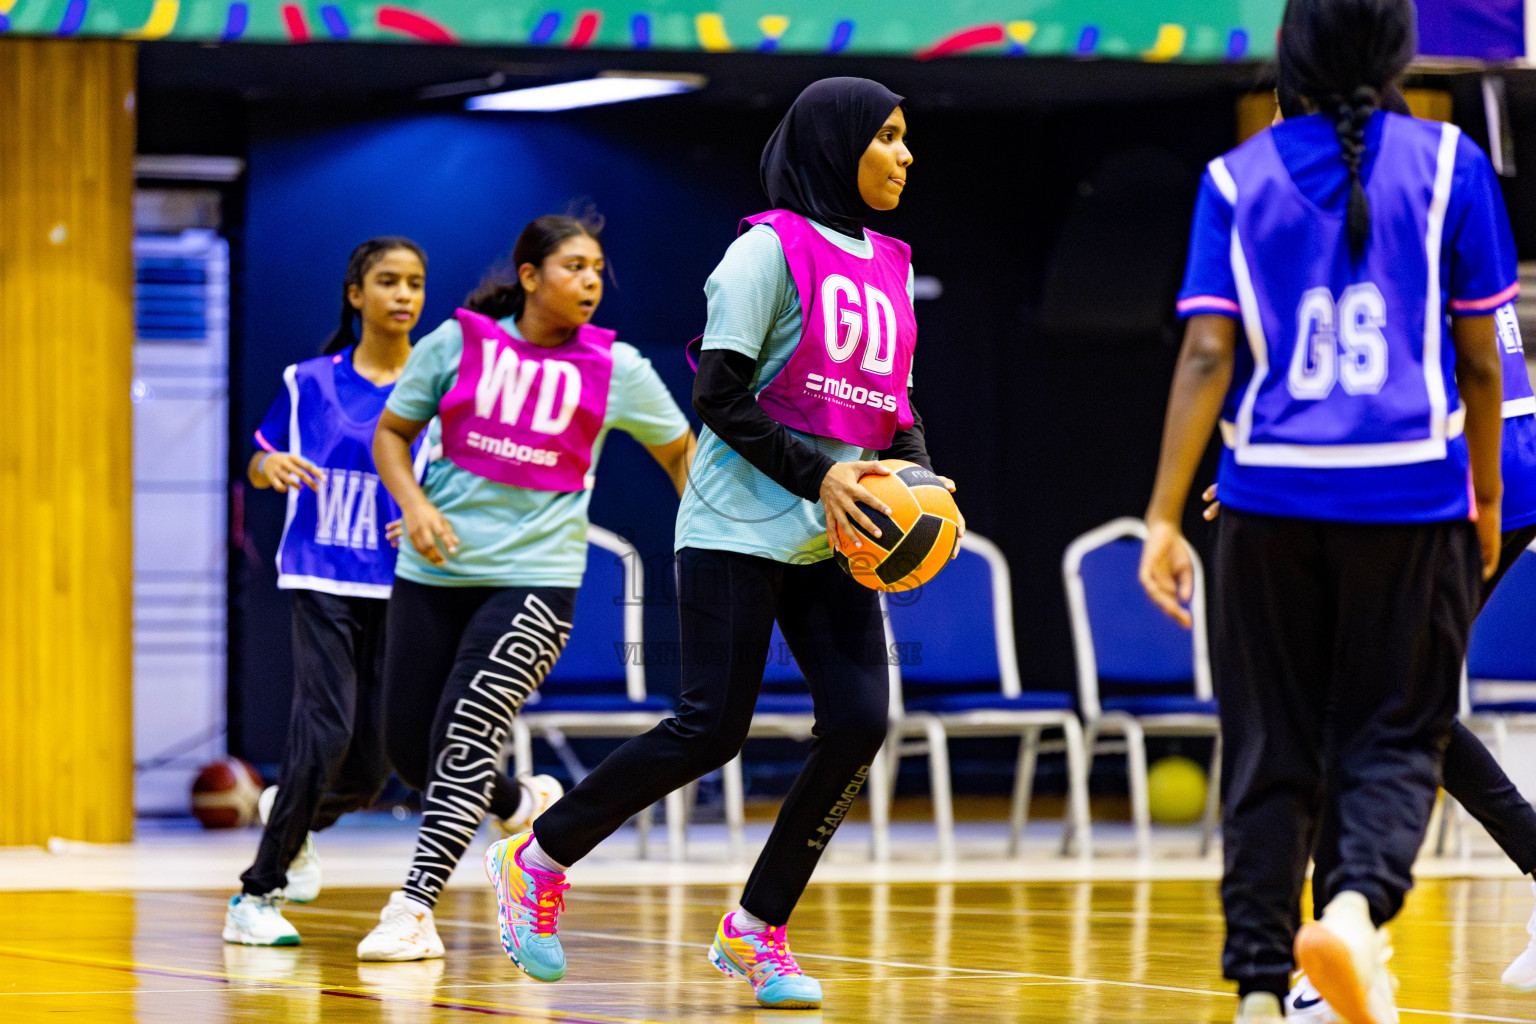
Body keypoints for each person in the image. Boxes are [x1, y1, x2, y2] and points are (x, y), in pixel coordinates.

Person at [484, 77, 958, 1011]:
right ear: (838, 145)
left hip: (836, 534)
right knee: (711, 727)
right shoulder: (766, 252)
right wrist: (820, 473)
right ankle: (536, 859)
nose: (907, 156)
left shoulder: (892, 265)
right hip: (735, 525)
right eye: (890, 137)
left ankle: (756, 928)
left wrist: (924, 481)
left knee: (862, 722)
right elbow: (719, 397)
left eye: (909, 138)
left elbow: (890, 412)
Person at [1138, 0, 1512, 1019]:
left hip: (1266, 498)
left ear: (1291, 52)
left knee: (1268, 744)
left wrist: (1165, 515)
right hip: (1411, 494)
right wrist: (1482, 495)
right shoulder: (1450, 165)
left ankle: (1260, 985)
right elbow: (1480, 360)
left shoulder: (1234, 176)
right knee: (1399, 735)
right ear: (1398, 50)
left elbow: (1209, 354)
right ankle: (1350, 917)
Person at [1246, 82, 1536, 1019]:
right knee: (1392, 703)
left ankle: (1343, 955)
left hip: (1452, 468)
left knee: (1362, 706)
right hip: (1510, 451)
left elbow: (1375, 367)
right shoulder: (1441, 167)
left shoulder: (1337, 192)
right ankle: (1352, 942)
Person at [358, 214, 694, 962]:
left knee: (468, 726)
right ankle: (519, 802)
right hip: (434, 572)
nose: (591, 281)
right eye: (575, 266)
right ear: (531, 275)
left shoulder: (619, 368)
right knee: (411, 752)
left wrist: (708, 546)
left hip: (535, 581)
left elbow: (681, 455)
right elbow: (390, 435)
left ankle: (412, 908)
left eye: (600, 270)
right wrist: (413, 505)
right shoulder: (459, 342)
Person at [223, 237, 428, 947]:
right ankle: (256, 894)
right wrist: (267, 466)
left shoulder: (436, 387)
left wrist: (432, 513)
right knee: (325, 728)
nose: (404, 295)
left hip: (400, 583)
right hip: (322, 576)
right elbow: (257, 460)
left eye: (415, 284)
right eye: (388, 282)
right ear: (356, 295)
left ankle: (291, 809)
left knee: (372, 769)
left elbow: (454, 483)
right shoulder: (307, 381)